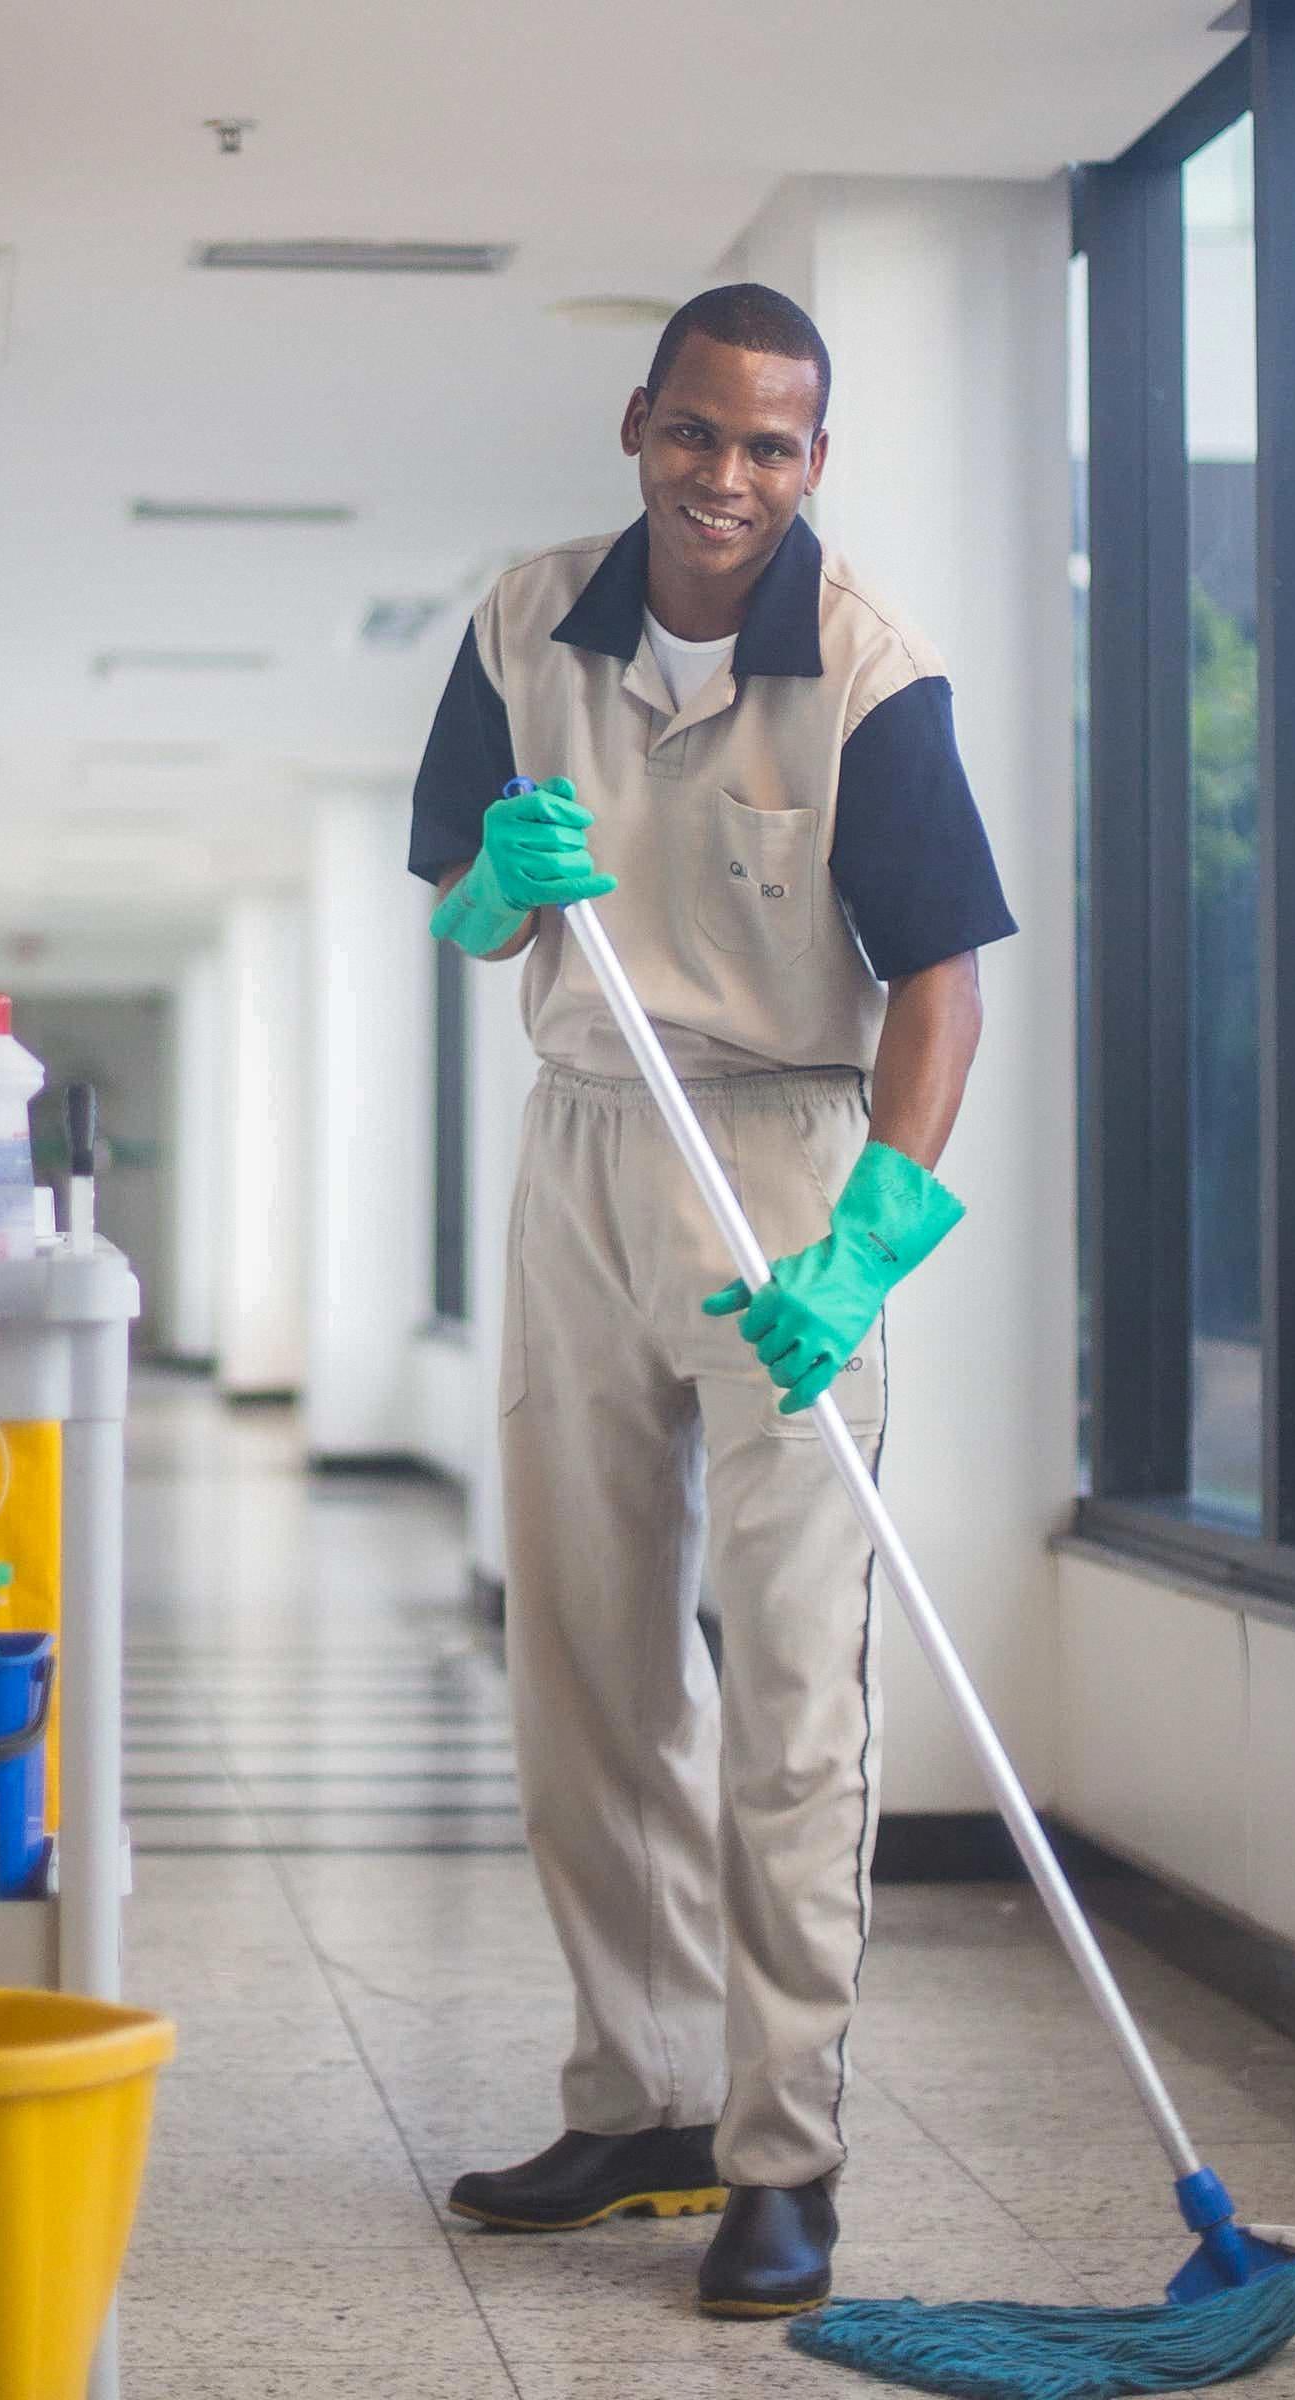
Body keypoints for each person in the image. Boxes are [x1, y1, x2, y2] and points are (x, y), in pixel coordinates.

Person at [408, 283, 1015, 2317]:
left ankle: (786, 2151)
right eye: (698, 431)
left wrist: (871, 1242)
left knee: (786, 1685)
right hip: (583, 1150)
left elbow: (943, 983)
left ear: (813, 462)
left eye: (773, 444)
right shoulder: (523, 622)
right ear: (636, 422)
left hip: (781, 1171)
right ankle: (646, 2094)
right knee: (583, 1658)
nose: (730, 474)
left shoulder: (866, 670)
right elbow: (466, 911)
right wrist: (501, 880)